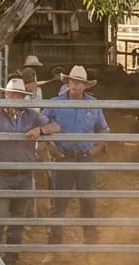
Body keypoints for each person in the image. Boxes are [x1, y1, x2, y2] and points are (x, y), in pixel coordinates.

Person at [0, 78, 58, 251]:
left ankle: (12, 254)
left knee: (18, 217)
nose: (15, 97)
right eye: (11, 93)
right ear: (5, 94)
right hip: (1, 174)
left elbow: (56, 126)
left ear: (24, 97)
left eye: (19, 95)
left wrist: (40, 130)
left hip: (25, 174)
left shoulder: (32, 114)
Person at [45, 65, 110, 245]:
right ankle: (54, 246)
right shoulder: (55, 103)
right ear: (67, 82)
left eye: (80, 83)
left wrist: (94, 150)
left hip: (84, 158)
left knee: (88, 202)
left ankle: (91, 245)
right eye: (73, 81)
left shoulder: (93, 105)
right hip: (62, 157)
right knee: (59, 204)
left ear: (85, 86)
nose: (76, 86)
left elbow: (104, 130)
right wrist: (52, 148)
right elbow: (42, 127)